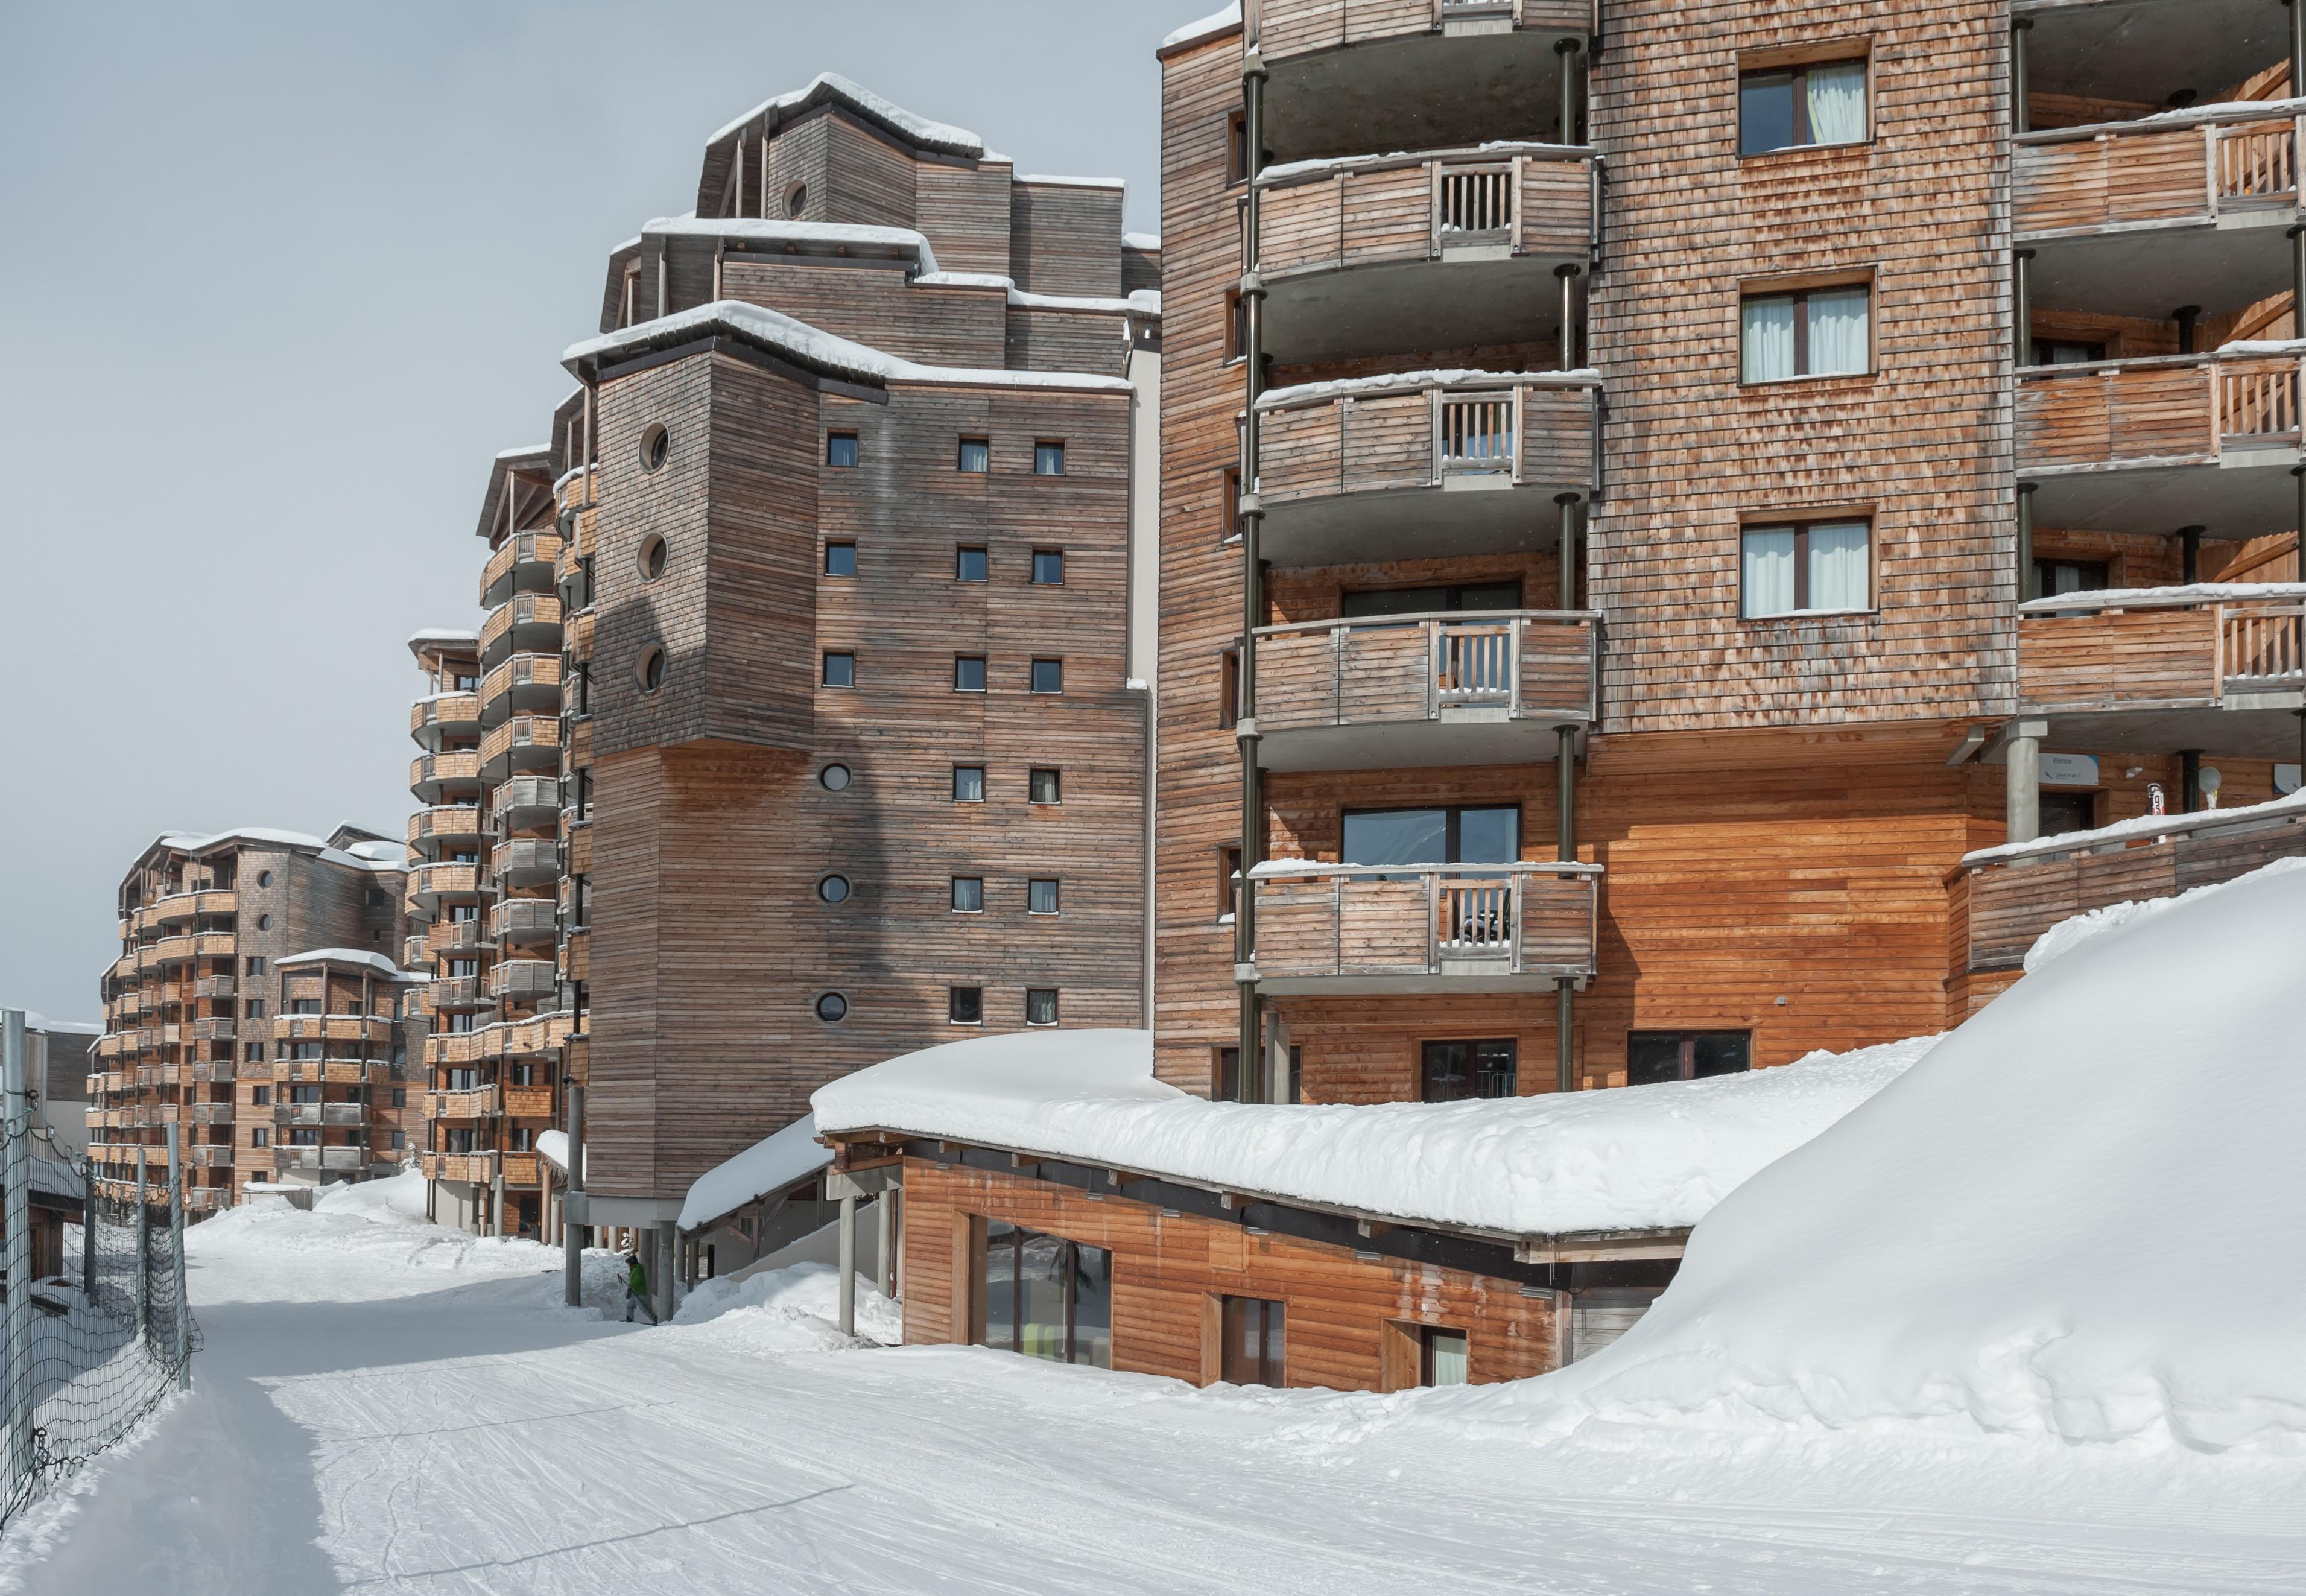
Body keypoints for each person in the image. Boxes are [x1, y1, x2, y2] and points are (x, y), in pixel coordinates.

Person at [624, 1249, 657, 1325]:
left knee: (643, 1308)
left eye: (629, 1263)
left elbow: (639, 1278)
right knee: (629, 1306)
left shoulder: (638, 1268)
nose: (628, 1265)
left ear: (632, 1262)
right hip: (635, 1292)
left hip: (639, 1292)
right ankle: (629, 1320)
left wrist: (631, 1285)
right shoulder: (634, 1269)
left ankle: (655, 1319)